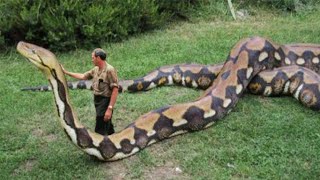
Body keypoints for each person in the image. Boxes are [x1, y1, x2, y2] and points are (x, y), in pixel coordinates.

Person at [61, 48, 118, 135]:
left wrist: (109, 108)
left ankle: (100, 143)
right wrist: (66, 72)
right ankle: (113, 138)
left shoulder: (109, 70)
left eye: (93, 57)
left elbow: (115, 89)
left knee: (100, 125)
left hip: (105, 100)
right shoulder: (95, 69)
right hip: (97, 100)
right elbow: (83, 76)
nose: (92, 60)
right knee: (106, 121)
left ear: (98, 58)